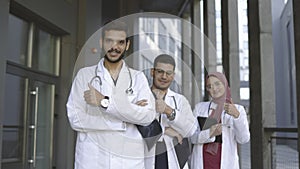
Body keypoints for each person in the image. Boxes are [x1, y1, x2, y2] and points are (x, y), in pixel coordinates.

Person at [66, 20, 156, 169]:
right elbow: (75, 118)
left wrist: (104, 102)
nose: (114, 47)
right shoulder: (85, 75)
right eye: (109, 41)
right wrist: (126, 116)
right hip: (93, 160)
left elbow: (147, 117)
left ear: (127, 45)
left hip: (128, 161)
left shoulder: (138, 78)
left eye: (120, 42)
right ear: (102, 42)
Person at [145, 54, 197, 169]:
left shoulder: (180, 100)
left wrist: (169, 111)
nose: (164, 76)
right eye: (160, 71)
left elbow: (191, 129)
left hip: (172, 158)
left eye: (168, 73)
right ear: (152, 72)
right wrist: (165, 130)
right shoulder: (140, 96)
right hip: (145, 156)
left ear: (173, 76)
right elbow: (133, 127)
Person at [190, 72, 250, 169]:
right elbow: (192, 137)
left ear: (225, 84)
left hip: (227, 164)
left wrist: (237, 116)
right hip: (203, 163)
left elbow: (243, 139)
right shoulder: (200, 108)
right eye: (210, 86)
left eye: (217, 84)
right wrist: (209, 133)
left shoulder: (238, 109)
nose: (214, 88)